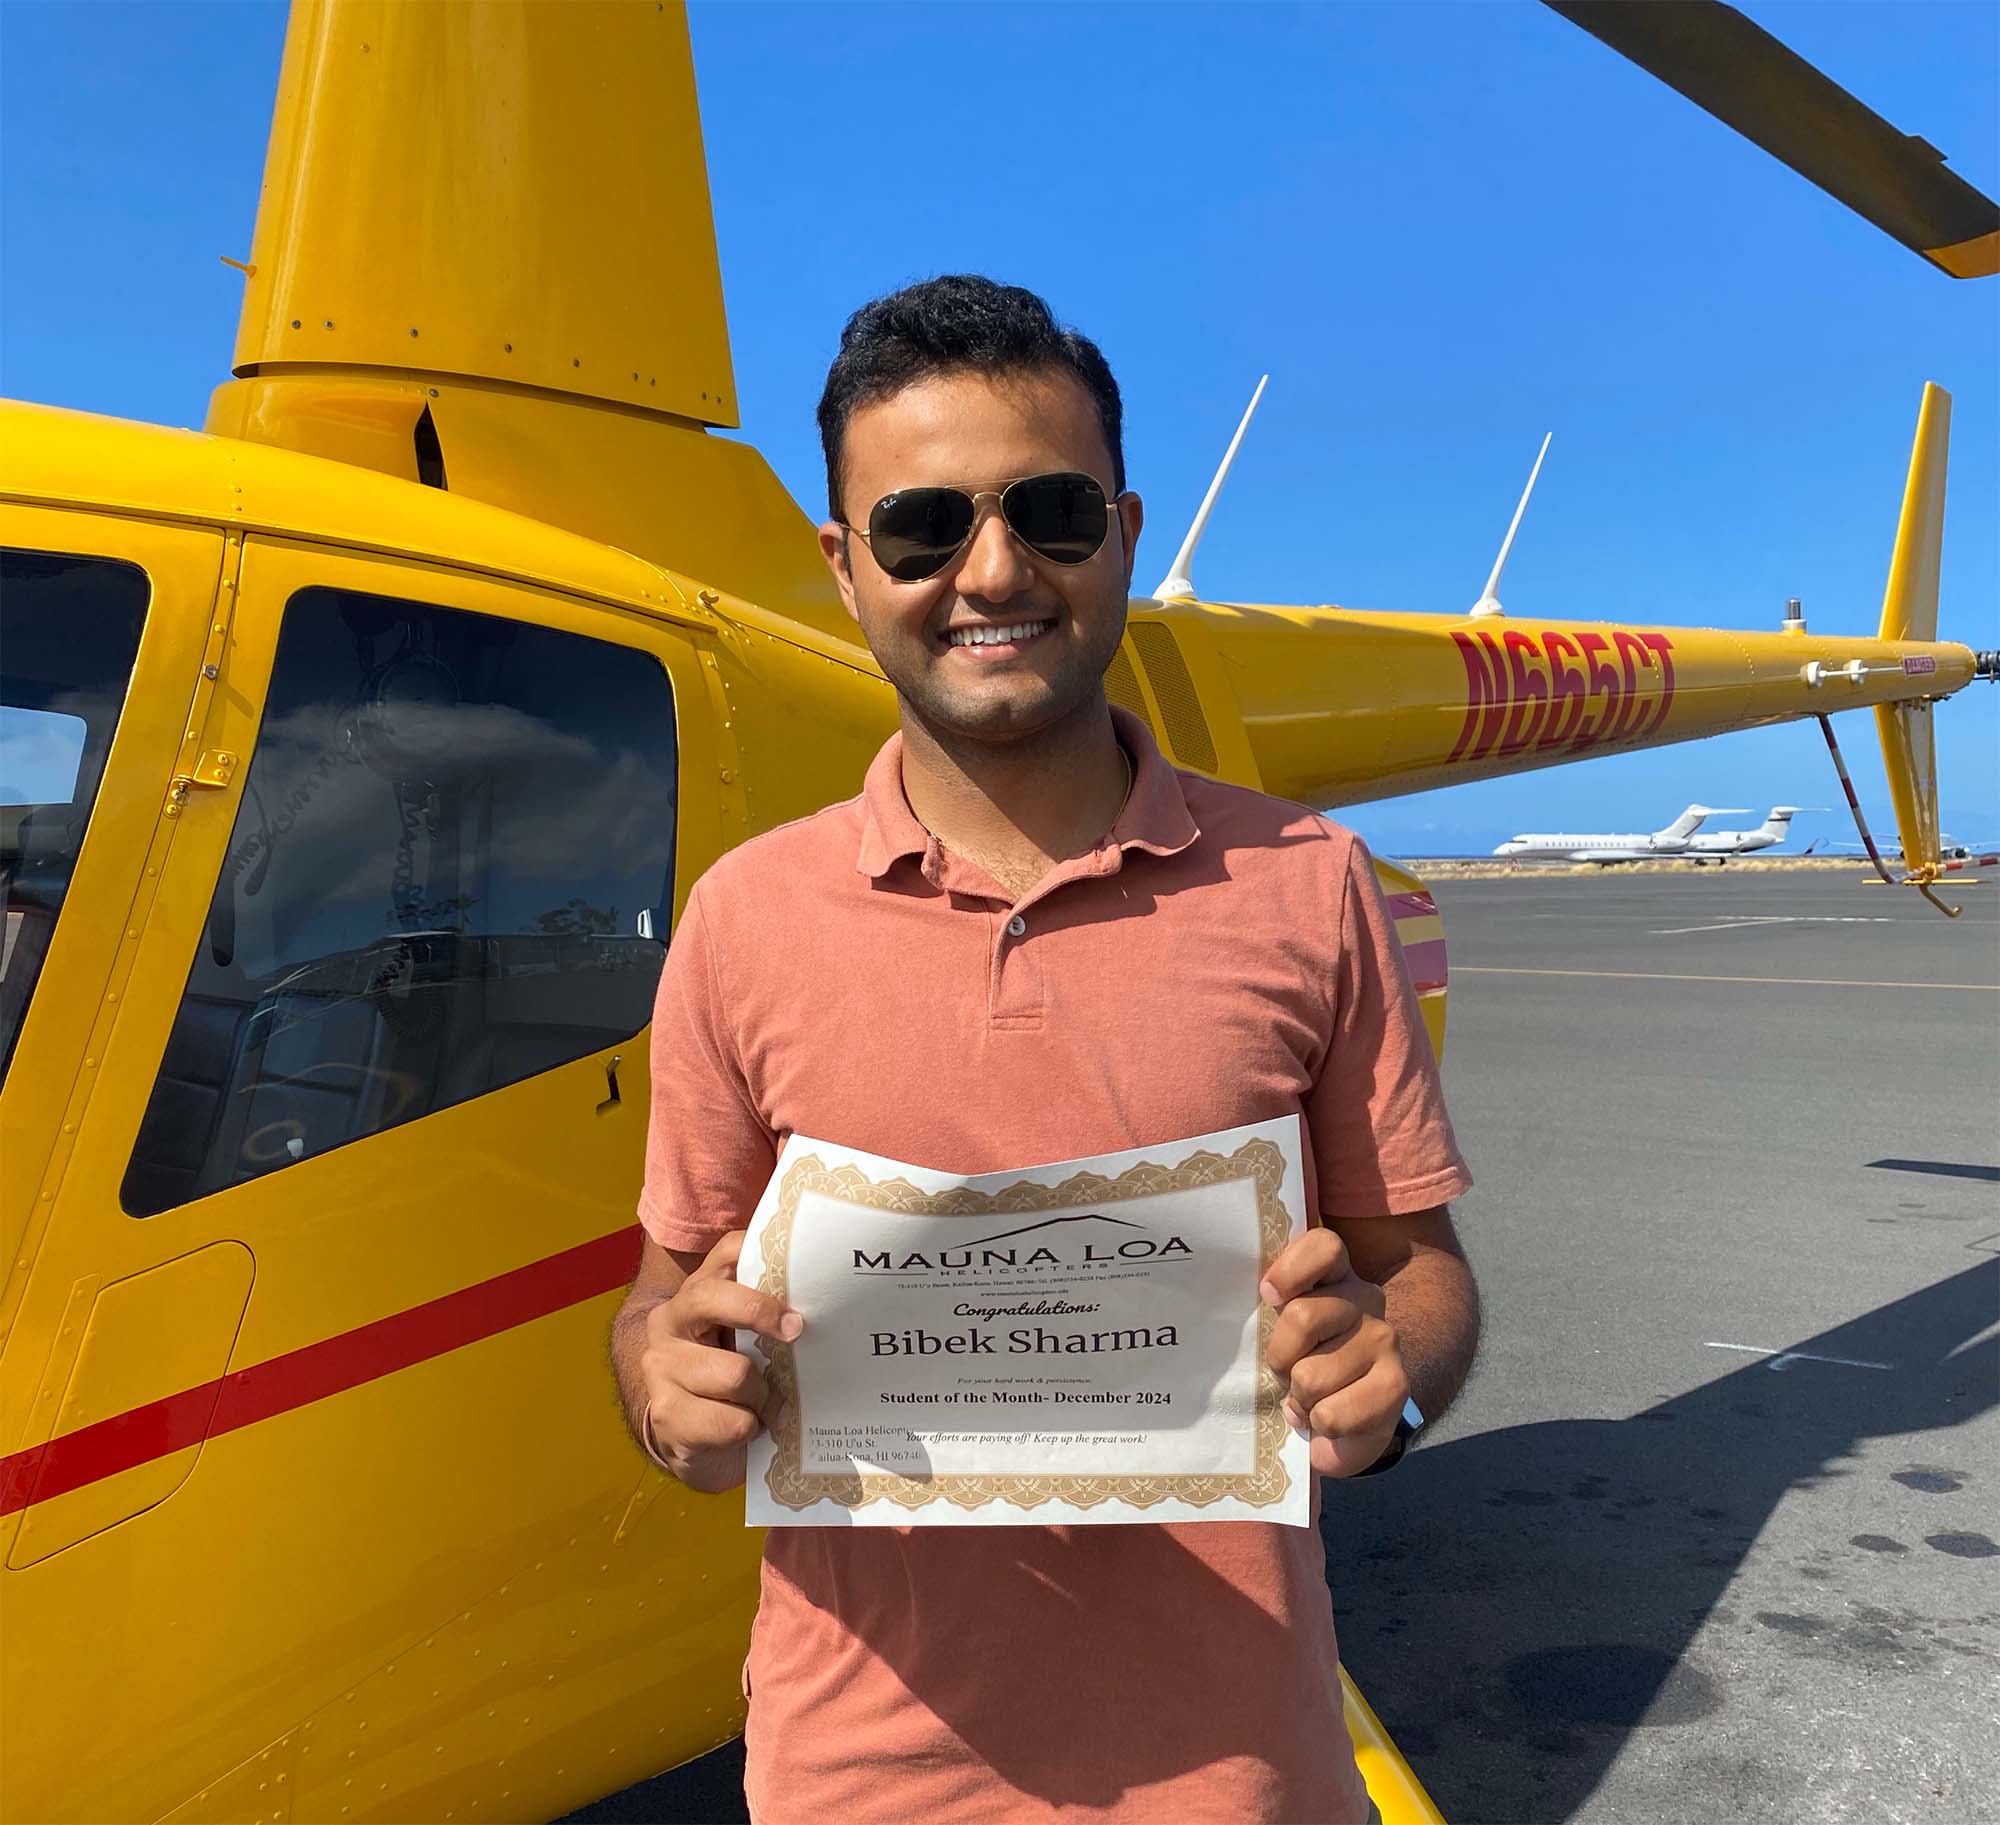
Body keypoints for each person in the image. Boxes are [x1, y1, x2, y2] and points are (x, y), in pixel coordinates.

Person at [610, 274, 1478, 1824]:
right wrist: (662, 1384)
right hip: (855, 1776)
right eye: (923, 525)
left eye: (1050, 509)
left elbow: (1423, 1268)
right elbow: (662, 1295)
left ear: (1127, 533)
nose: (991, 569)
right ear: (844, 564)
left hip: (1243, 1774)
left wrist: (1388, 1380)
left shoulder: (1309, 881)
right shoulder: (742, 917)